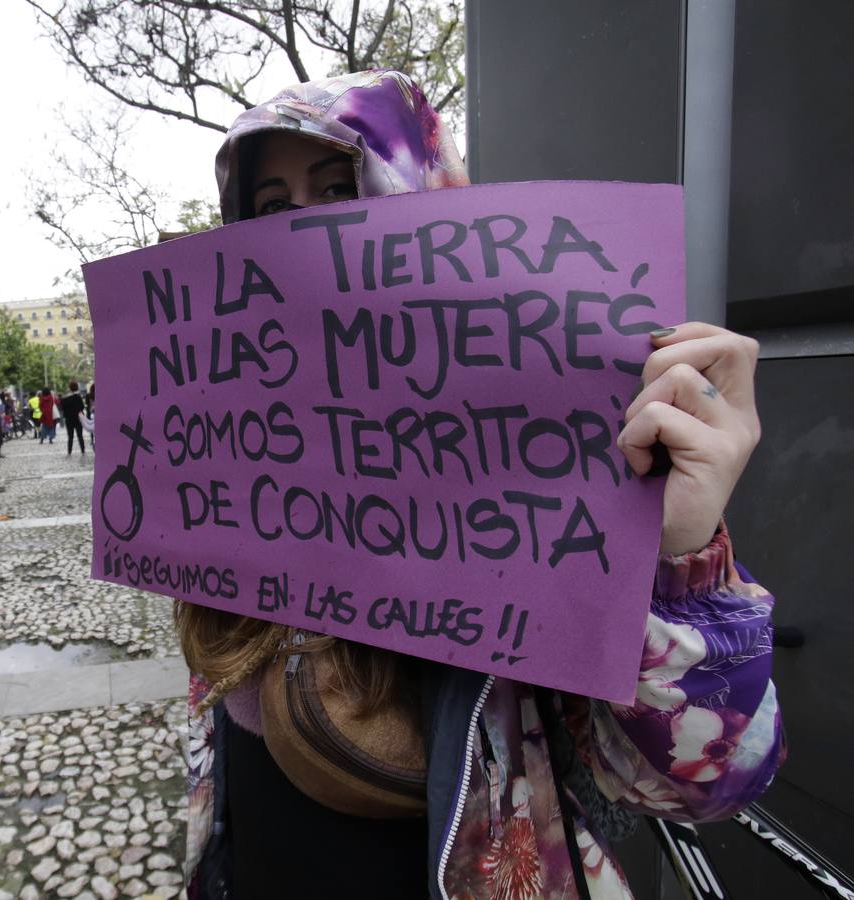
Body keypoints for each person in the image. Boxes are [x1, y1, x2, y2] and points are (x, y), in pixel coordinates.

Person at [181, 70, 784, 898]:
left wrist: (676, 555)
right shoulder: (235, 438)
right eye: (274, 209)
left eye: (340, 187)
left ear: (424, 199)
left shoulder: (545, 448)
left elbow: (707, 787)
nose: (308, 232)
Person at [60, 379, 87, 456]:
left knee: (70, 436)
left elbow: (62, 408)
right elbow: (82, 407)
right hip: (78, 419)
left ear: (69, 388)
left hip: (69, 419)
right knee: (80, 435)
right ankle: (82, 450)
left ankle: (69, 451)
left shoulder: (65, 398)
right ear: (77, 387)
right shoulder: (78, 397)